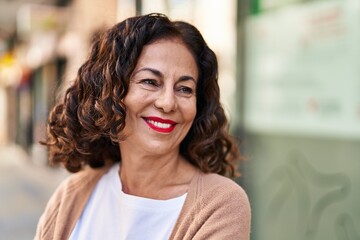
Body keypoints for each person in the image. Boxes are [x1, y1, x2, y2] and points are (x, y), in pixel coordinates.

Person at [34, 13, 251, 240]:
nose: (168, 103)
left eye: (185, 89)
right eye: (150, 82)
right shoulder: (73, 195)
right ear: (111, 93)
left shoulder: (220, 205)